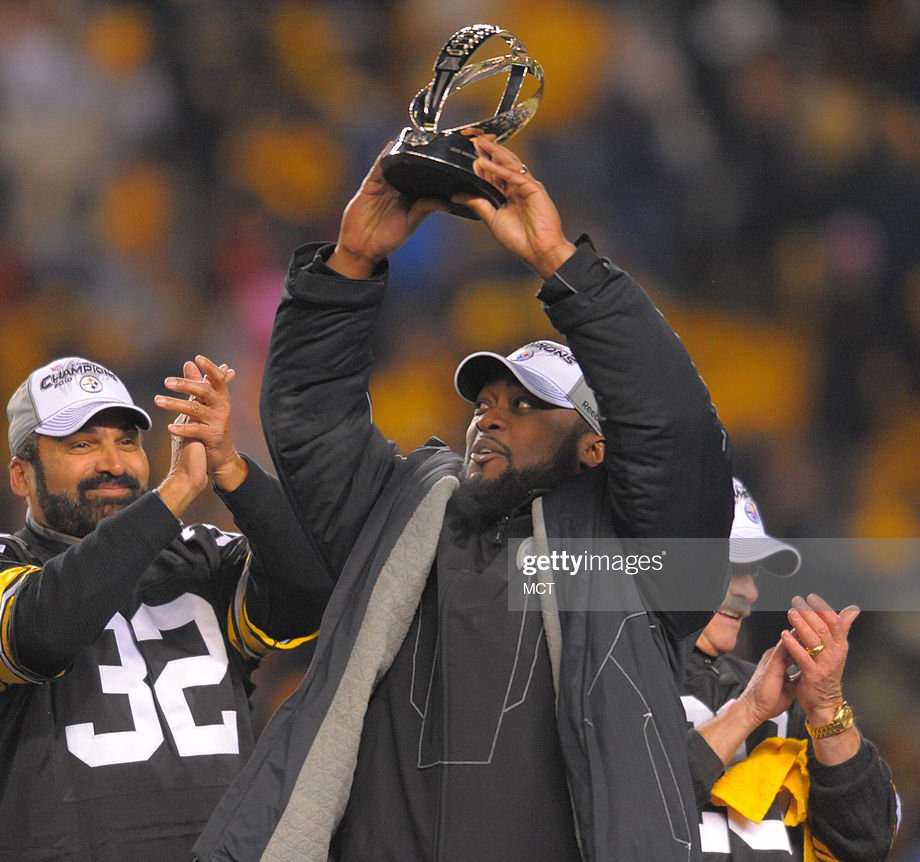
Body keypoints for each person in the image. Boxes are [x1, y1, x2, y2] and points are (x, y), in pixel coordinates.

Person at [195, 136, 734, 861]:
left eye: (526, 405)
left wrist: (561, 263)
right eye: (484, 400)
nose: (490, 414)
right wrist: (350, 261)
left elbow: (673, 424)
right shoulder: (405, 513)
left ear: (597, 447)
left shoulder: (637, 561)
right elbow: (311, 422)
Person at [0, 355, 332, 861]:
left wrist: (231, 467)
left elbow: (311, 595)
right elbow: (43, 633)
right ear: (21, 475)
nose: (113, 463)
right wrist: (174, 492)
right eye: (82, 444)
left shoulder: (201, 560)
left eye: (127, 441)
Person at [683, 478, 898, 861]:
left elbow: (868, 842)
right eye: (732, 569)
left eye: (753, 573)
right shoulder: (615, 679)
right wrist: (747, 713)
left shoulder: (780, 694)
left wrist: (827, 707)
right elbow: (631, 807)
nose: (749, 592)